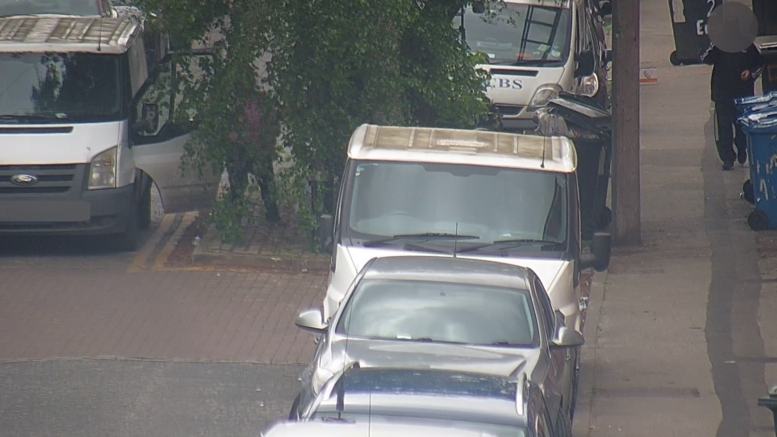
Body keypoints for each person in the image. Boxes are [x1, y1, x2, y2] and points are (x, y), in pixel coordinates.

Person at [701, 42, 764, 170]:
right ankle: (727, 158)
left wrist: (750, 73)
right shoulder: (719, 44)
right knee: (724, 126)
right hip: (722, 93)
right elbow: (705, 57)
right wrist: (712, 44)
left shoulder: (748, 45)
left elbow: (759, 63)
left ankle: (742, 148)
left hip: (743, 94)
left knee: (741, 125)